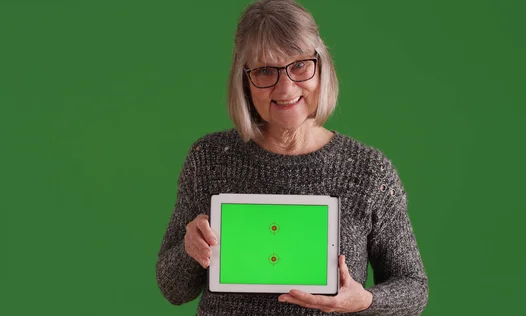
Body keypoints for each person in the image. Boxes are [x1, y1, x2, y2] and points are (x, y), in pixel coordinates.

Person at [155, 0, 428, 315]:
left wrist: (364, 300)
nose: (285, 88)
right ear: (245, 81)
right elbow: (173, 289)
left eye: (299, 65)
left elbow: (413, 288)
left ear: (320, 67)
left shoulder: (368, 171)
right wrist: (190, 250)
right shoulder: (211, 158)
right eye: (265, 70)